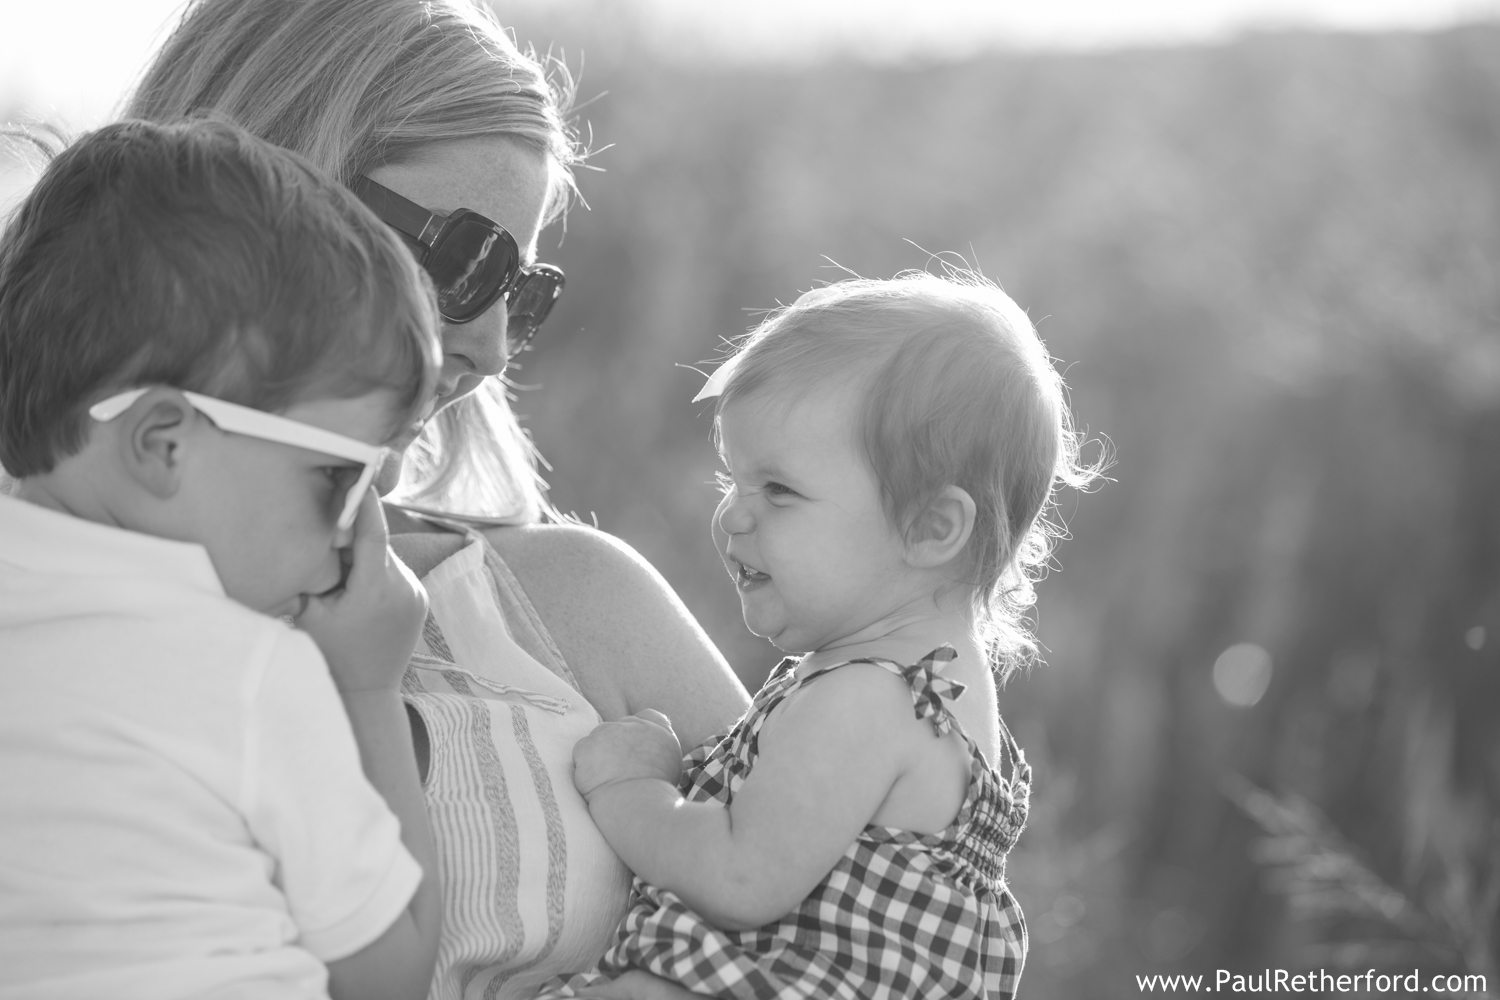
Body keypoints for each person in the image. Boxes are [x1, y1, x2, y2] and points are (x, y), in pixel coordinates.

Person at [123, 2, 752, 997]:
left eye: (526, 291)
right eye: (464, 264)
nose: (493, 350)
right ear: (251, 198)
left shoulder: (568, 607)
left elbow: (881, 934)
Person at [547, 269, 1104, 999]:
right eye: (732, 482)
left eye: (778, 490)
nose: (734, 517)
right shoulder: (929, 693)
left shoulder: (867, 702)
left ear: (930, 527)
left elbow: (738, 878)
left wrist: (630, 787)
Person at [0, 118, 442, 999]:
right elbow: (391, 976)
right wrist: (365, 687)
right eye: (337, 478)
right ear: (165, 442)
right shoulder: (248, 675)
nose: (362, 526)